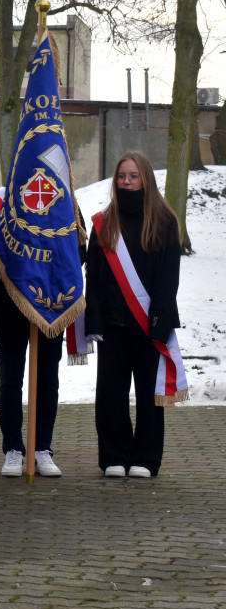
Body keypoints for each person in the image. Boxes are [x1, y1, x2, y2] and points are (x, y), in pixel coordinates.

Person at [86, 151, 183, 478]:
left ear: (146, 179)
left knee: (149, 396)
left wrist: (160, 320)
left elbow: (169, 279)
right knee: (110, 393)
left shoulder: (165, 222)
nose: (126, 182)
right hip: (112, 325)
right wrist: (94, 317)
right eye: (122, 176)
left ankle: (146, 458)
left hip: (149, 323)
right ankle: (114, 454)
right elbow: (94, 277)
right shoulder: (103, 222)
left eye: (133, 176)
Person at [0, 189, 77, 478]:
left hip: (51, 299)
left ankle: (42, 448)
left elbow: (79, 247)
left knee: (47, 377)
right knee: (10, 376)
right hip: (9, 299)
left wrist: (46, 262)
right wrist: (25, 263)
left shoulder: (63, 196)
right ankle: (13, 448)